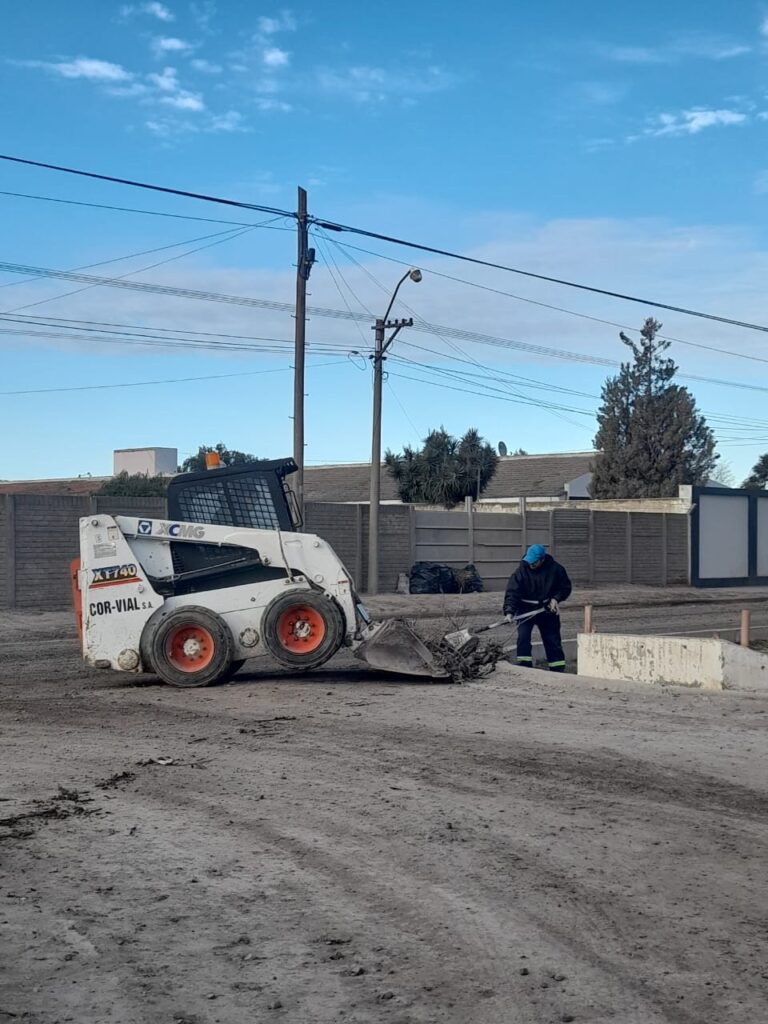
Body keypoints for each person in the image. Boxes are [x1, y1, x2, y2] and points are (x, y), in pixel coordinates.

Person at [503, 543, 572, 672]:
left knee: (552, 639)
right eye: (529, 562)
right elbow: (512, 593)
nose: (531, 565)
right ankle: (524, 668)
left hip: (546, 609)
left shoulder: (556, 570)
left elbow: (565, 587)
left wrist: (556, 598)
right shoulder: (521, 571)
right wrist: (509, 611)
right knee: (523, 638)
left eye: (534, 562)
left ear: (542, 559)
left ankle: (557, 669)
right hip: (525, 609)